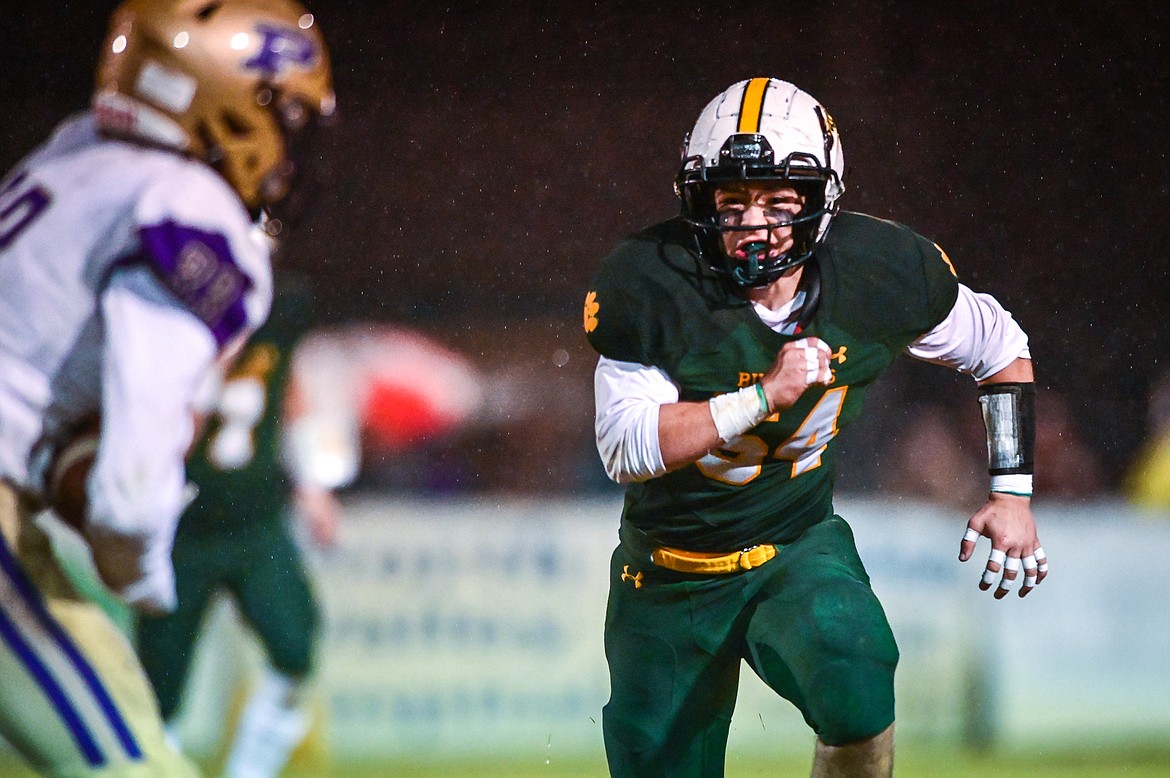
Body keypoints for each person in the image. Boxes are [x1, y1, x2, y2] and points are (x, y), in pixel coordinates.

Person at [583, 77, 1048, 778]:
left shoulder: (879, 270)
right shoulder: (652, 281)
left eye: (778, 200)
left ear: (820, 200)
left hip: (794, 548)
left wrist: (1013, 491)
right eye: (732, 201)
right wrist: (763, 396)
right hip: (668, 572)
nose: (753, 223)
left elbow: (1001, 348)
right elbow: (626, 446)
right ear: (697, 200)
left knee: (857, 684)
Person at [0, 0, 334, 774]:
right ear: (224, 101)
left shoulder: (72, 154)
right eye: (283, 112)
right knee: (133, 760)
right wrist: (141, 570)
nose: (292, 141)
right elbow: (128, 491)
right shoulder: (188, 205)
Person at [136, 276, 357, 778]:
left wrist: (312, 486)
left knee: (295, 647)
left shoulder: (273, 316)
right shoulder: (168, 327)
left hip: (255, 523)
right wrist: (206, 373)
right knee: (158, 691)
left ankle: (249, 774)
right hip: (181, 528)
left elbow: (289, 392)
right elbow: (162, 435)